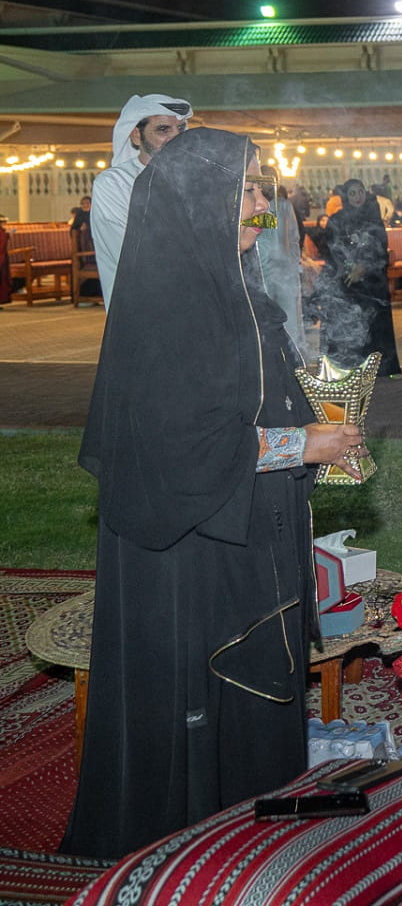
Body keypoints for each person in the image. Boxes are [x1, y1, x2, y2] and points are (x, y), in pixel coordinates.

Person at [64, 128, 365, 858]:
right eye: (250, 192)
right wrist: (305, 444)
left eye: (265, 190)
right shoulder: (169, 302)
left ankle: (250, 828)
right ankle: (200, 843)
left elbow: (252, 396)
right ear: (202, 202)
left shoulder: (234, 284)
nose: (263, 206)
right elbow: (183, 447)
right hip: (190, 550)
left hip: (241, 525)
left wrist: (314, 408)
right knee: (206, 704)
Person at [91, 93, 192, 308]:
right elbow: (139, 256)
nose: (176, 138)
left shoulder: (194, 181)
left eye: (181, 129)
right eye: (163, 129)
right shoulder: (114, 183)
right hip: (141, 309)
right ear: (136, 135)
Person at [317, 178, 402, 377]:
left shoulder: (374, 219)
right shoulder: (336, 220)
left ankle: (382, 367)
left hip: (371, 282)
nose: (357, 197)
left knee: (375, 320)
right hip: (347, 282)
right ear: (345, 196)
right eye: (352, 193)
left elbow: (381, 249)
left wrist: (364, 267)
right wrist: (349, 267)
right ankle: (347, 365)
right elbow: (329, 250)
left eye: (360, 192)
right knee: (345, 318)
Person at [252, 176, 306, 361]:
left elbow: (293, 237)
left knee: (289, 317)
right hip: (261, 271)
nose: (265, 185)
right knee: (263, 318)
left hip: (285, 272)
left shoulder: (283, 206)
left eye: (268, 180)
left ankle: (294, 360)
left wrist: (293, 263)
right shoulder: (253, 206)